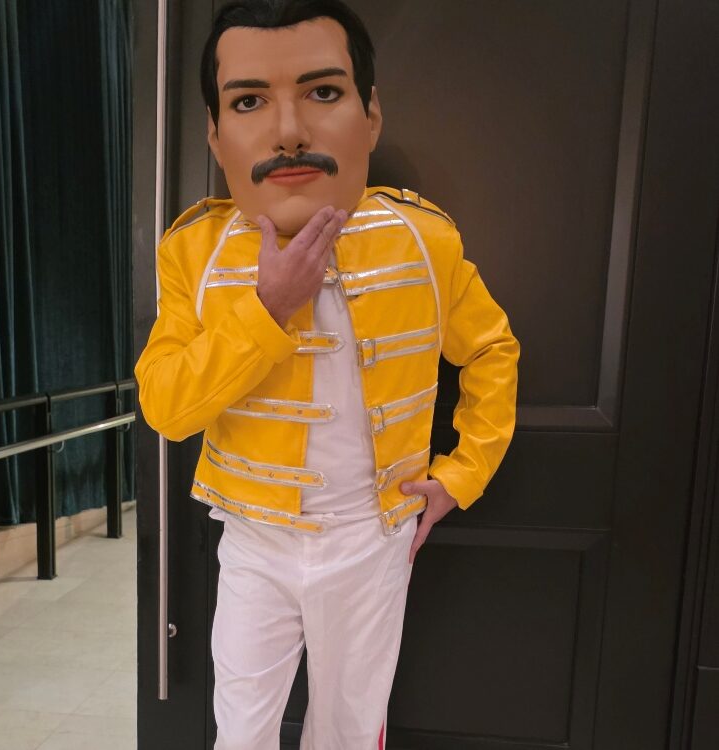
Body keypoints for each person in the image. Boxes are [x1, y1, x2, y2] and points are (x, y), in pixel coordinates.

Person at [135, 1, 519, 748]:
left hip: (371, 538)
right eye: (250, 101)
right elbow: (166, 407)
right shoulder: (193, 252)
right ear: (215, 134)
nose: (288, 132)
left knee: (349, 729)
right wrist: (266, 312)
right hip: (253, 537)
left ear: (369, 115)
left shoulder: (423, 239)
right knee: (239, 731)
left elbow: (491, 351)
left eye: (322, 91)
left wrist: (463, 474)